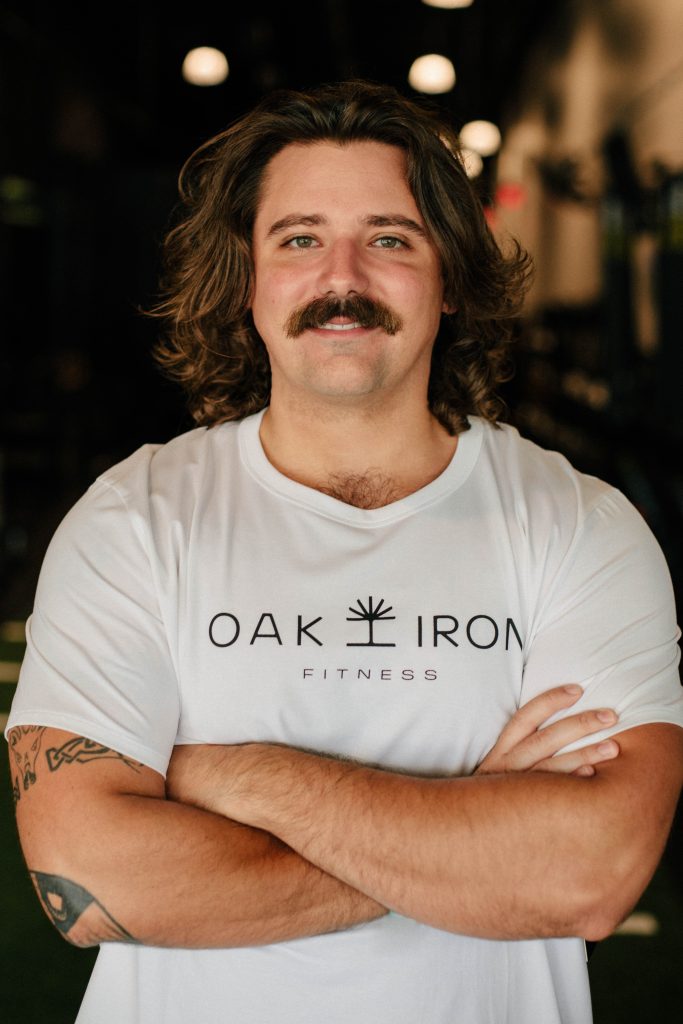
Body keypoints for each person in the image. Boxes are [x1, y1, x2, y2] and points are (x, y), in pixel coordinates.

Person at [7, 80, 683, 1024]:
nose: (342, 278)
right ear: (246, 280)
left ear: (449, 278)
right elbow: (85, 881)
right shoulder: (133, 519)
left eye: (390, 238)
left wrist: (231, 776)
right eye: (298, 238)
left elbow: (588, 874)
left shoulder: (579, 524)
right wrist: (475, 824)